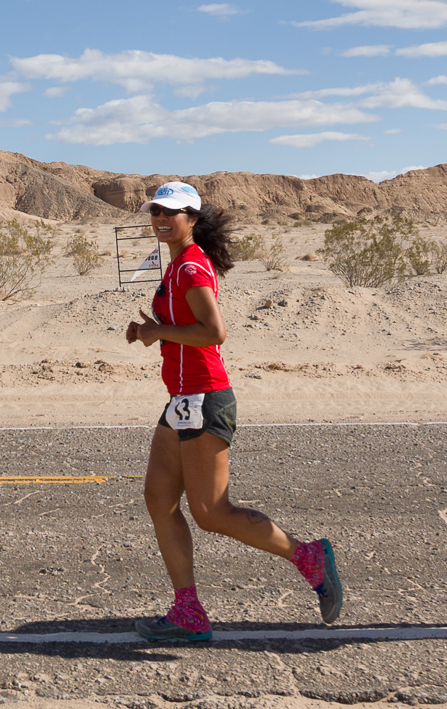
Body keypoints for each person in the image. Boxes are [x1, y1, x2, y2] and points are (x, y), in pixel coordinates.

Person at [125, 180, 342, 643]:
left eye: (172, 212)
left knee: (212, 512)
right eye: (156, 212)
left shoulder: (190, 267)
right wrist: (155, 331)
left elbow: (213, 333)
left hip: (205, 397)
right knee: (158, 500)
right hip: (182, 401)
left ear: (193, 219)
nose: (162, 219)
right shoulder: (177, 265)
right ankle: (187, 612)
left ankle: (309, 557)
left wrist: (158, 332)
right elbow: (183, 327)